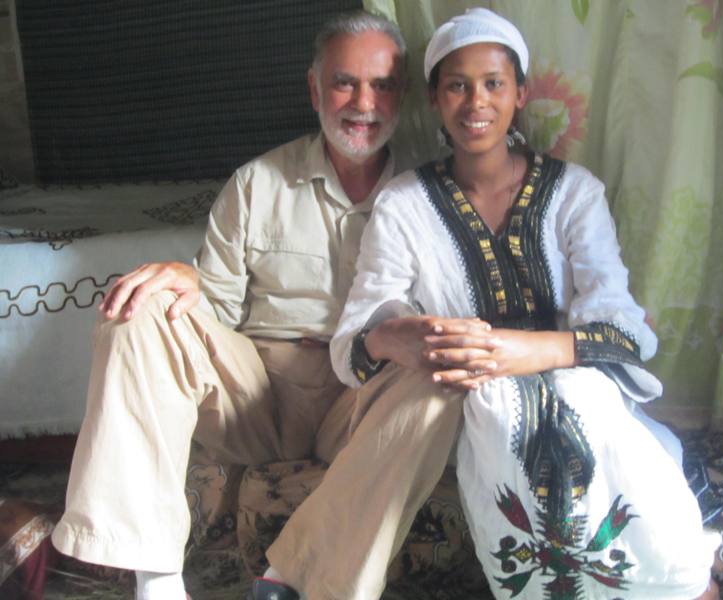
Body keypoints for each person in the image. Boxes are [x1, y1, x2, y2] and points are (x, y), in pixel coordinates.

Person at [51, 10, 458, 600]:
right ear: (315, 88)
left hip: (359, 401)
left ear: (403, 97)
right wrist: (182, 279)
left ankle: (294, 579)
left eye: (382, 85)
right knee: (138, 307)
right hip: (257, 396)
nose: (363, 103)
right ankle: (154, 576)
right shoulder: (257, 183)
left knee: (444, 375)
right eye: (345, 82)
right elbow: (211, 306)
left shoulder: (428, 196)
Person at [330, 8, 721, 600]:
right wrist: (393, 335)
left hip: (577, 382)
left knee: (587, 405)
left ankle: (683, 588)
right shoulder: (404, 203)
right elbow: (357, 335)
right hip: (477, 403)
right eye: (457, 85)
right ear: (435, 98)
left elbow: (624, 331)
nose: (475, 102)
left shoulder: (574, 193)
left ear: (521, 94)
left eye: (493, 83)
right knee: (499, 413)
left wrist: (521, 350)